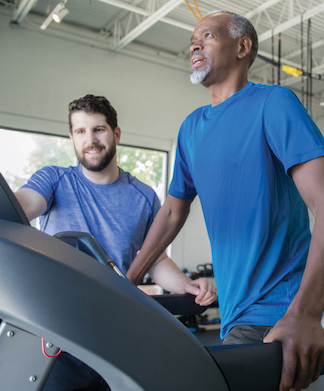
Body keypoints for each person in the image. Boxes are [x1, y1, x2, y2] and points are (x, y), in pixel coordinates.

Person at [126, 10, 324, 391]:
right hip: (232, 310)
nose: (195, 45)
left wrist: (306, 313)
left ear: (242, 47)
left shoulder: (273, 103)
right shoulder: (191, 129)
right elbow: (171, 213)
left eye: (208, 36)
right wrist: (127, 281)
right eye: (193, 40)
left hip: (275, 311)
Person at [15, 94, 217, 391]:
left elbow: (156, 259)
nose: (90, 140)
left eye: (98, 129)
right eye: (81, 131)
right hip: (58, 330)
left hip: (116, 331)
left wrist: (185, 284)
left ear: (116, 134)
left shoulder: (143, 196)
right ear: (71, 137)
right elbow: (24, 205)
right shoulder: (54, 181)